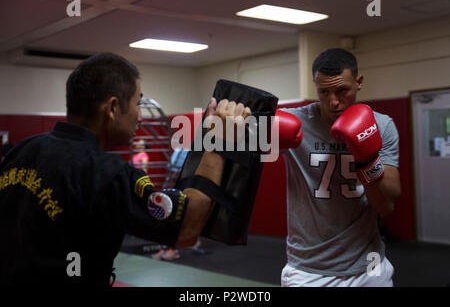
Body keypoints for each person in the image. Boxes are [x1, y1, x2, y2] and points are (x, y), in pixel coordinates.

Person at [0, 53, 251, 286]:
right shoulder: (108, 174)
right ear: (112, 108)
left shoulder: (21, 151)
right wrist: (219, 141)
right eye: (137, 104)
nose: (140, 117)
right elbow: (186, 229)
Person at [279, 48, 401, 287]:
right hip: (308, 270)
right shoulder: (294, 122)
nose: (333, 101)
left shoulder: (381, 125)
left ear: (359, 82)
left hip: (369, 267)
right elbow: (230, 138)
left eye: (342, 90)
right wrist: (220, 120)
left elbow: (388, 203)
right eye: (323, 92)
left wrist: (366, 159)